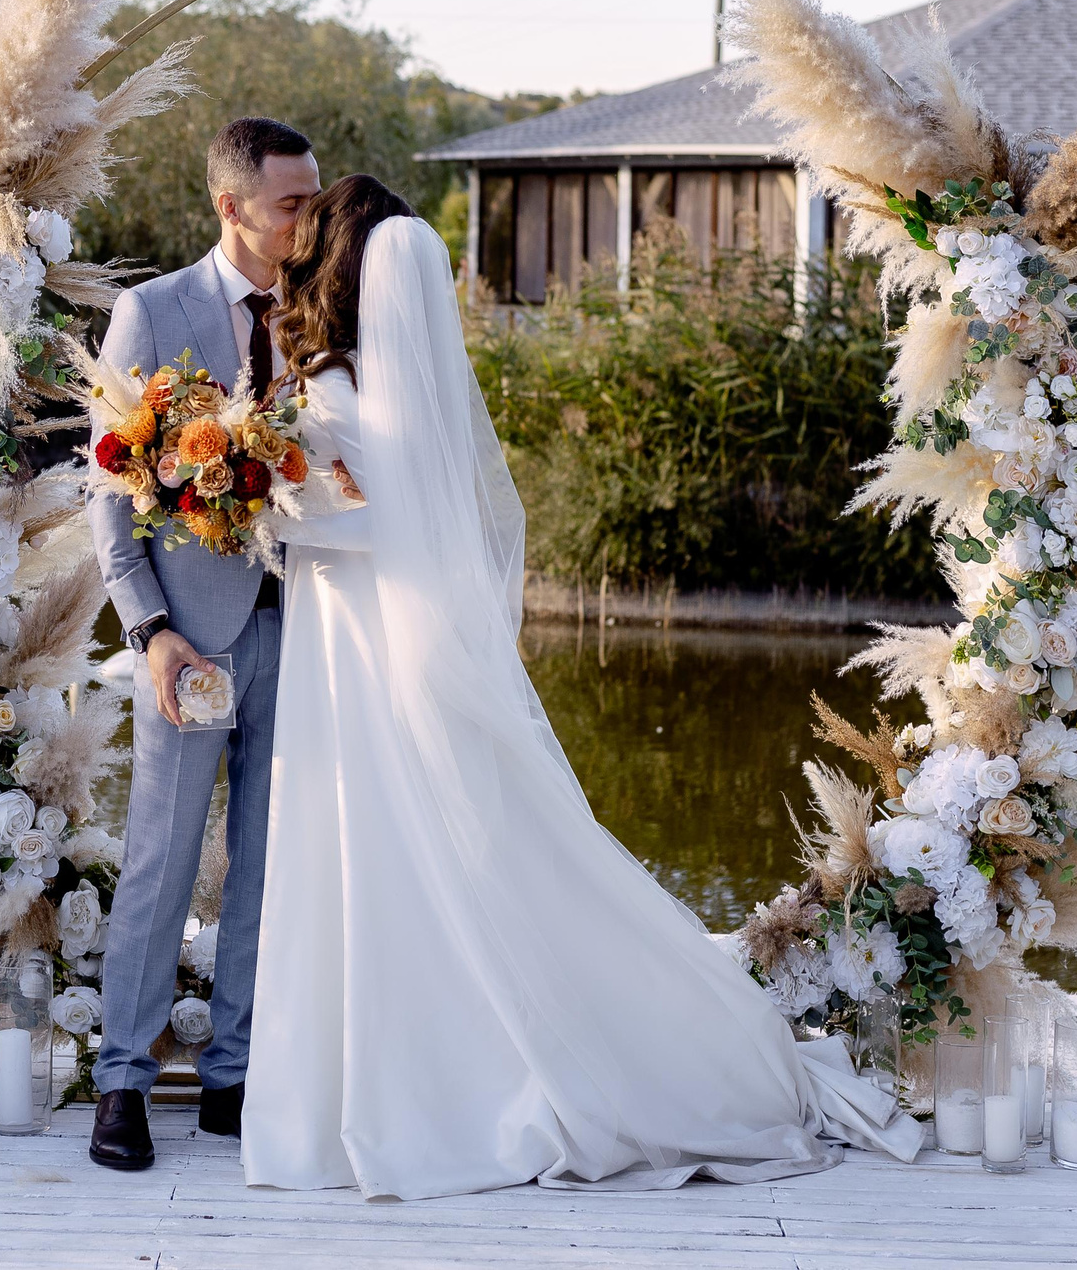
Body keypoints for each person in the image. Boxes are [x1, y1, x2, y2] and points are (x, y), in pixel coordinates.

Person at [242, 174, 921, 1199]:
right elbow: (405, 508)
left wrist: (273, 514)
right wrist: (278, 502)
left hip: (365, 639)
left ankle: (432, 1085)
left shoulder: (347, 375)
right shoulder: (370, 373)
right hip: (361, 634)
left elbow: (401, 520)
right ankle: (395, 1069)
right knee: (396, 843)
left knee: (397, 840)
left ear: (333, 258)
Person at [84, 116, 321, 1173]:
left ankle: (233, 1073)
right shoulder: (153, 311)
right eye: (291, 203)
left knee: (268, 861)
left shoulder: (324, 311)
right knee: (162, 858)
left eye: (313, 199)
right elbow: (107, 491)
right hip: (189, 640)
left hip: (307, 630)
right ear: (231, 206)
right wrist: (149, 631)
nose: (308, 219)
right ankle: (122, 1080)